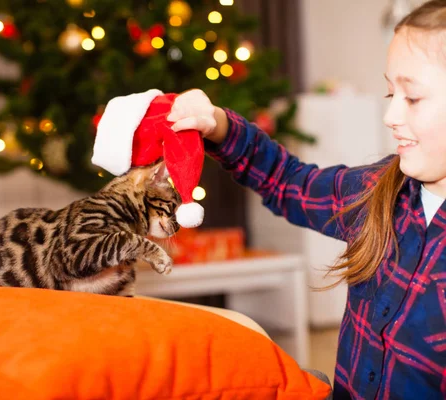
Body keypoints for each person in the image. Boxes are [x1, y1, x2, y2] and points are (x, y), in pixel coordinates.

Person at [164, 1, 446, 399]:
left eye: (412, 98)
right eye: (389, 92)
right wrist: (220, 126)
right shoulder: (377, 189)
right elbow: (287, 181)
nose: (390, 115)